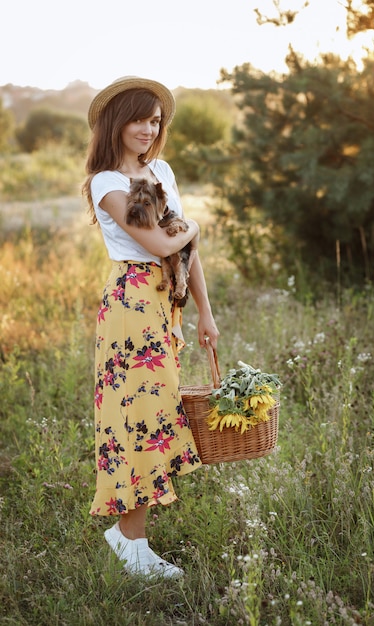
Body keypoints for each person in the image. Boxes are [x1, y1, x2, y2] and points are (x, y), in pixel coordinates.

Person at [82, 76, 219, 579]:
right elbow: (161, 243)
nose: (148, 128)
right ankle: (130, 541)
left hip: (166, 303)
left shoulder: (159, 170)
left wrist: (205, 312)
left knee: (157, 414)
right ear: (118, 122)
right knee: (137, 418)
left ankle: (128, 534)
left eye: (156, 120)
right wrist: (192, 224)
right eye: (139, 118)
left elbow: (182, 247)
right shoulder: (107, 182)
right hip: (131, 303)